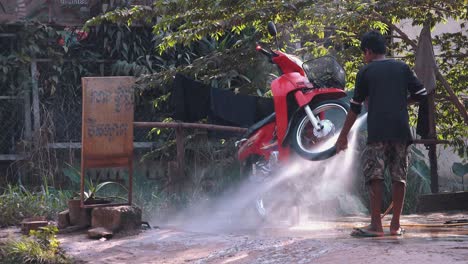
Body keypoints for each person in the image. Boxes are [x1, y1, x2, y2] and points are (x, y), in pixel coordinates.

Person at [335, 31, 427, 237]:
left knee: (374, 175)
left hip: (378, 131)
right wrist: (403, 102)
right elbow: (421, 94)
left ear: (368, 51)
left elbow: (355, 108)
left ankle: (376, 225)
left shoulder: (366, 72)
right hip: (400, 130)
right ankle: (395, 225)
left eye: (363, 53)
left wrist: (342, 136)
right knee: (399, 175)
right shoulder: (402, 68)